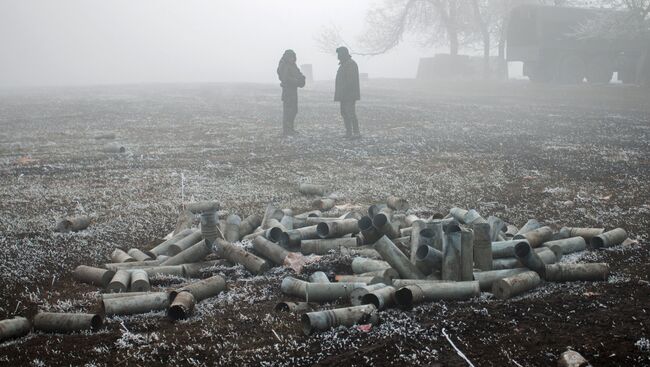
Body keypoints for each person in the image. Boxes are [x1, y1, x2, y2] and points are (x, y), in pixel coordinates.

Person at [277, 49, 306, 136]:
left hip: (293, 91)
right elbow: (285, 78)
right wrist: (296, 81)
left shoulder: (293, 65)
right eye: (290, 57)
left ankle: (291, 128)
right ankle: (287, 130)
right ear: (287, 57)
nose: (292, 59)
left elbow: (298, 74)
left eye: (293, 57)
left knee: (294, 110)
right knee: (288, 110)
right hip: (288, 91)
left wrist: (302, 79)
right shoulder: (284, 65)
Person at [334, 46, 361, 139]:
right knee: (344, 113)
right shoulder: (344, 64)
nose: (338, 56)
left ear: (343, 54)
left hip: (349, 94)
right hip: (344, 94)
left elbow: (351, 80)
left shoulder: (350, 64)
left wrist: (343, 90)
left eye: (339, 54)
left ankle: (356, 132)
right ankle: (349, 132)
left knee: (350, 113)